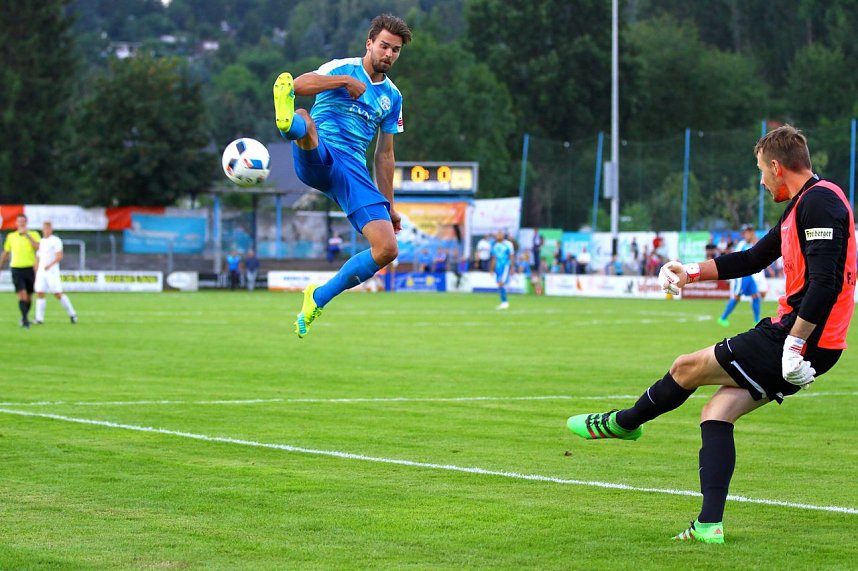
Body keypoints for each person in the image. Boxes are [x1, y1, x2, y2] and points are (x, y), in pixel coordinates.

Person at [566, 125, 855, 544]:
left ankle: (626, 423)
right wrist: (692, 272)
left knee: (686, 367)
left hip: (799, 337)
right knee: (716, 414)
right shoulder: (801, 206)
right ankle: (708, 525)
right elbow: (754, 258)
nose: (760, 181)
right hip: (803, 338)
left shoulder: (820, 203)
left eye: (761, 171)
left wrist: (794, 345)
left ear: (777, 167)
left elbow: (826, 284)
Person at [273, 14, 412, 338]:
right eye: (384, 46)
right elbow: (298, 85)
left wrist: (389, 206)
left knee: (387, 249)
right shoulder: (342, 68)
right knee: (305, 119)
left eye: (395, 50)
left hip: (352, 171)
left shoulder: (393, 97)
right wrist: (342, 83)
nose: (389, 54)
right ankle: (286, 124)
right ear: (369, 44)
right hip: (321, 152)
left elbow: (385, 154)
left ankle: (318, 297)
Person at [718, 224, 766, 327]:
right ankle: (722, 318)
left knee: (756, 296)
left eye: (751, 232)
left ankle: (756, 321)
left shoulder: (754, 243)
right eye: (747, 232)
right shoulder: (741, 245)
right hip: (742, 275)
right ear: (744, 234)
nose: (749, 234)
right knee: (736, 297)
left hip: (750, 275)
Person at [32, 221, 77, 324]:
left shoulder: (55, 241)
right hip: (41, 272)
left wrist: (50, 264)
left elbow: (59, 255)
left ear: (51, 229)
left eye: (48, 228)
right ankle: (39, 319)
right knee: (39, 293)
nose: (46, 230)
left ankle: (72, 313)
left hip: (51, 272)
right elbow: (38, 256)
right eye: (44, 228)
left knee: (57, 294)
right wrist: (36, 268)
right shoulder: (42, 241)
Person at [0, 214, 40, 328]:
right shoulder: (11, 236)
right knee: (21, 294)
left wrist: (27, 235)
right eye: (19, 221)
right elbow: (6, 252)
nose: (21, 223)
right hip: (16, 268)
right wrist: (1, 266)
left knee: (28, 296)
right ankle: (25, 320)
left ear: (26, 222)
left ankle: (24, 317)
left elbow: (37, 246)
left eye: (23, 221)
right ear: (16, 223)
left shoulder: (34, 234)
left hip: (29, 268)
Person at [489, 230, 515, 309]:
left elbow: (511, 256)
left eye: (500, 234)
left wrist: (512, 267)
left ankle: (505, 302)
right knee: (499, 284)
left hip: (505, 266)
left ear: (503, 235)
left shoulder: (508, 244)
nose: (498, 236)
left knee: (501, 283)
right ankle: (504, 302)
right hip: (498, 267)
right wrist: (491, 269)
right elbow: (494, 258)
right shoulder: (495, 245)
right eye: (497, 234)